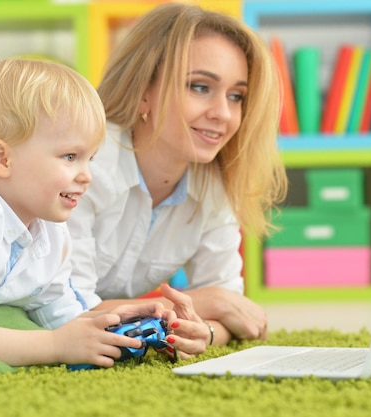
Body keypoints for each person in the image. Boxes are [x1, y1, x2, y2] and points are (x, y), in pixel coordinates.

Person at [0, 57, 182, 368]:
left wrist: (110, 322)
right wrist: (56, 346)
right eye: (70, 156)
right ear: (2, 159)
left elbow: (60, 311)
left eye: (90, 159)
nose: (87, 176)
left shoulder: (49, 228)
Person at [67, 3, 288, 357]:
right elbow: (64, 313)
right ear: (143, 91)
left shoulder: (213, 185)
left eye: (236, 96)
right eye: (200, 87)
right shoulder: (84, 165)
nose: (223, 114)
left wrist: (206, 333)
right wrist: (211, 301)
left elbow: (233, 317)